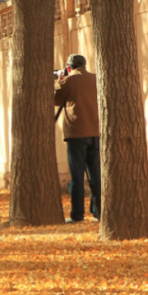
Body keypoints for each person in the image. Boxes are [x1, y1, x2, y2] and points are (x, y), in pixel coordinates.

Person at [55, 53, 101, 223]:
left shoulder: (69, 81)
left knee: (77, 177)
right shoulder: (96, 78)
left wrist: (59, 80)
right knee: (95, 175)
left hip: (76, 134)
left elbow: (56, 99)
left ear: (68, 67)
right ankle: (98, 212)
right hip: (95, 133)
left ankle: (77, 214)